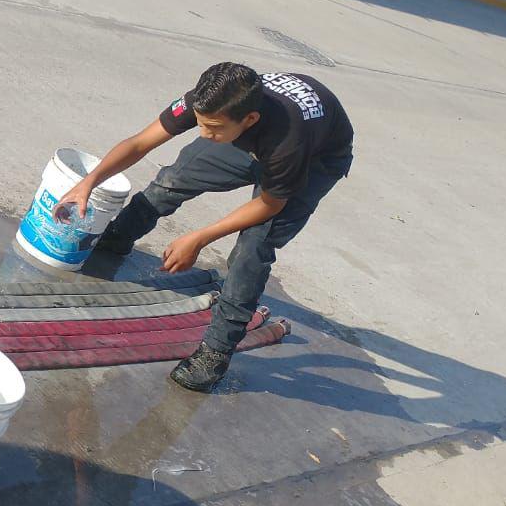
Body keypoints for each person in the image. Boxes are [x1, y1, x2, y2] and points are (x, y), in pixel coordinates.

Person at [52, 63, 354, 392]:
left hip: (314, 161)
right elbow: (141, 142)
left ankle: (215, 352)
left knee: (252, 248)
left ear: (249, 120)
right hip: (250, 138)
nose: (203, 134)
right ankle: (117, 237)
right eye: (199, 123)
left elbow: (270, 203)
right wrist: (89, 182)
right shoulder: (213, 100)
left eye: (212, 128)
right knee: (176, 176)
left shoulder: (288, 140)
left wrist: (199, 238)